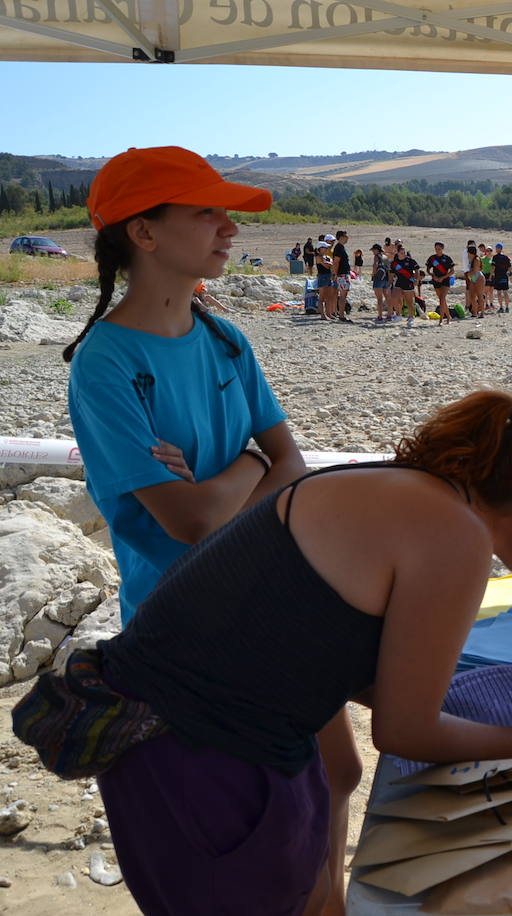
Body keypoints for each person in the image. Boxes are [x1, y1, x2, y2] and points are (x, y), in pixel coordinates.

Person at [28, 391, 512, 915]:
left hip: (172, 737)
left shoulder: (400, 485)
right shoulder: (454, 534)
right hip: (200, 761)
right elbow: (405, 731)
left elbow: (307, 638)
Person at [59, 147, 354, 914]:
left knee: (339, 775)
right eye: (206, 211)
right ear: (144, 233)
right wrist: (250, 472)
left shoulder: (224, 339)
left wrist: (236, 481)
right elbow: (190, 523)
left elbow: (285, 457)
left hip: (277, 605)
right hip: (191, 640)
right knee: (261, 836)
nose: (229, 227)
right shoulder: (104, 364)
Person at [392, 244, 422, 327]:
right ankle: (398, 315)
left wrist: (416, 279)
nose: (403, 254)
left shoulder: (410, 261)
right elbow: (391, 272)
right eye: (401, 252)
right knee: (395, 297)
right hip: (398, 282)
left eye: (404, 252)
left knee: (409, 301)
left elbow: (417, 270)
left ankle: (411, 317)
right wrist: (390, 281)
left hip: (408, 282)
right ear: (397, 253)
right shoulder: (395, 262)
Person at [426, 242, 455, 324]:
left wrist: (443, 277)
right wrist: (432, 275)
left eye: (439, 249)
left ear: (442, 248)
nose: (437, 250)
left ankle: (441, 320)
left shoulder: (447, 258)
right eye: (436, 249)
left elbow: (452, 271)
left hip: (445, 280)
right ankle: (449, 316)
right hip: (436, 280)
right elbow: (428, 269)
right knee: (442, 300)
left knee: (442, 298)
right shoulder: (432, 258)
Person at [370, 244, 391, 320]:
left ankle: (380, 316)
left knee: (379, 298)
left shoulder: (376, 257)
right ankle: (389, 315)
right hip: (385, 279)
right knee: (387, 297)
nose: (372, 251)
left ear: (376, 250)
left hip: (378, 279)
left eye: (373, 250)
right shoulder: (385, 257)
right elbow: (389, 268)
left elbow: (375, 265)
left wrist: (373, 273)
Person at [465, 244, 486, 318]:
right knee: (472, 296)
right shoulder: (471, 259)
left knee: (480, 295)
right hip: (473, 278)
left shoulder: (476, 259)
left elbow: (476, 270)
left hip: (478, 277)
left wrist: (468, 274)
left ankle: (482, 313)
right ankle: (474, 312)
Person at [491, 243, 512, 313]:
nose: (496, 249)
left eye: (497, 248)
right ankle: (507, 308)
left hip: (498, 277)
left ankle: (501, 307)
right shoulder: (506, 257)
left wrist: (490, 275)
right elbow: (510, 267)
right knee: (505, 292)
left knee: (499, 292)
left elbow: (493, 268)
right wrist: (510, 276)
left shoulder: (495, 257)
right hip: (504, 276)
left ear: (500, 249)